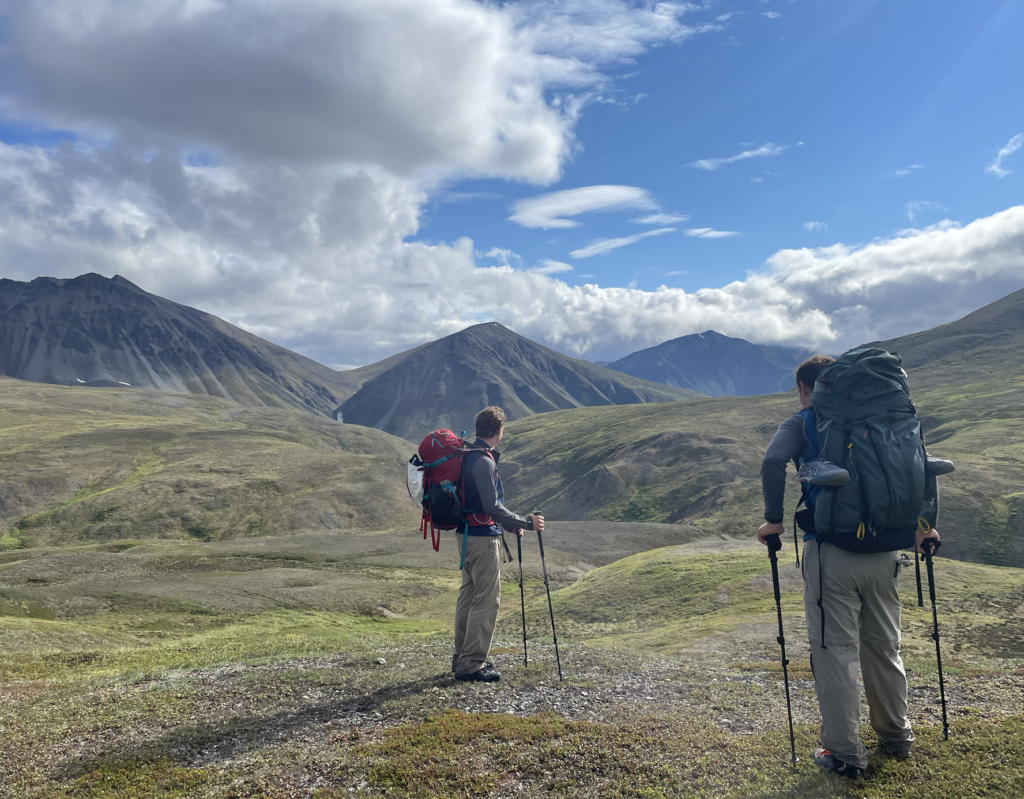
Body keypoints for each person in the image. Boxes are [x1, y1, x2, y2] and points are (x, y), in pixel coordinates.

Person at [758, 355, 940, 777]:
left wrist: (774, 519)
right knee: (883, 646)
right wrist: (925, 528)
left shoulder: (804, 420)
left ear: (808, 388)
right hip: (887, 553)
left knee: (834, 653)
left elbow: (772, 462)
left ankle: (842, 753)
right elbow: (921, 468)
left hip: (832, 554)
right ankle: (896, 737)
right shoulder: (889, 418)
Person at [452, 405, 544, 683]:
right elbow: (492, 505)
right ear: (500, 430)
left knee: (468, 595)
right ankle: (471, 664)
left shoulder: (467, 455)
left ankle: (463, 656)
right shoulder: (484, 461)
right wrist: (526, 523)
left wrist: (510, 524)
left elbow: (482, 503)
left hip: (466, 534)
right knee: (487, 599)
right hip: (481, 538)